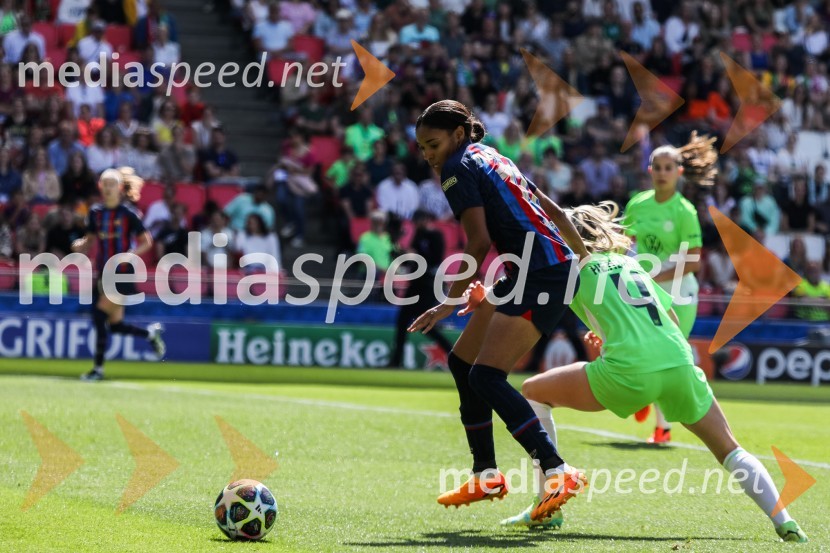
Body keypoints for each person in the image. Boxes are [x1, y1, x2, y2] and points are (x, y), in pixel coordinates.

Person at [491, 202, 807, 543]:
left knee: (534, 392)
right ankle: (786, 522)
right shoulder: (632, 265)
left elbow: (526, 299)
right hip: (679, 362)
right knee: (731, 450)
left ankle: (546, 504)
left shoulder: (571, 269)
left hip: (629, 371)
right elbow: (667, 320)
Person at [408, 100, 588, 522]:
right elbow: (555, 211)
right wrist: (586, 259)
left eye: (432, 144)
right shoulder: (494, 156)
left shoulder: (457, 168)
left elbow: (477, 242)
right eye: (421, 148)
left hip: (539, 274)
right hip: (542, 270)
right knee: (462, 362)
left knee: (486, 377)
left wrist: (448, 302)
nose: (428, 155)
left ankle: (557, 469)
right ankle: (485, 473)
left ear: (456, 135)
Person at [623, 132, 715, 444]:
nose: (662, 173)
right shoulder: (637, 205)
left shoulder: (684, 211)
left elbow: (692, 262)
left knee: (669, 353)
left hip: (679, 293)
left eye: (667, 167)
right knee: (640, 347)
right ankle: (646, 402)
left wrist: (653, 277)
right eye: (657, 167)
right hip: (645, 290)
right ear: (650, 171)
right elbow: (625, 245)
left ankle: (662, 427)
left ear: (678, 172)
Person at [70, 168, 166, 381]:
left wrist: (131, 255)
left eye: (111, 184)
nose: (107, 188)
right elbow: (90, 240)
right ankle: (150, 334)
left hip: (122, 273)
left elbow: (146, 242)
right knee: (115, 325)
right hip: (104, 273)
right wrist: (80, 245)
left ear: (120, 188)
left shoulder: (128, 214)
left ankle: (98, 370)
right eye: (104, 184)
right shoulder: (95, 213)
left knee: (98, 315)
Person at [388, 210, 453, 368]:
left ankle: (453, 354)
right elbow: (413, 262)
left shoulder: (435, 235)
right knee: (403, 321)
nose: (416, 224)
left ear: (425, 219)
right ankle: (396, 361)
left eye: (418, 221)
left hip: (428, 284)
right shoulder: (418, 234)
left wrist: (416, 254)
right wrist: (401, 254)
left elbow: (435, 259)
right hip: (416, 283)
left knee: (425, 324)